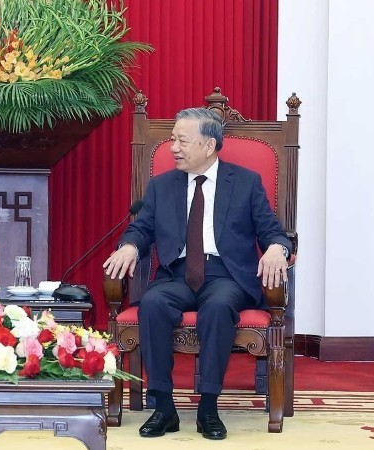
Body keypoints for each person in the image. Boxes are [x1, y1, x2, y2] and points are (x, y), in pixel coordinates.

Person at [102, 108, 291, 440]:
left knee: (218, 307)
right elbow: (141, 230)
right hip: (176, 275)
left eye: (182, 141)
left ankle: (208, 407)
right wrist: (129, 246)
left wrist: (278, 249)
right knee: (153, 304)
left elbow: (272, 232)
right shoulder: (161, 186)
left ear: (209, 145)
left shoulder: (245, 183)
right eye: (172, 140)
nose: (173, 148)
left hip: (226, 276)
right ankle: (163, 407)